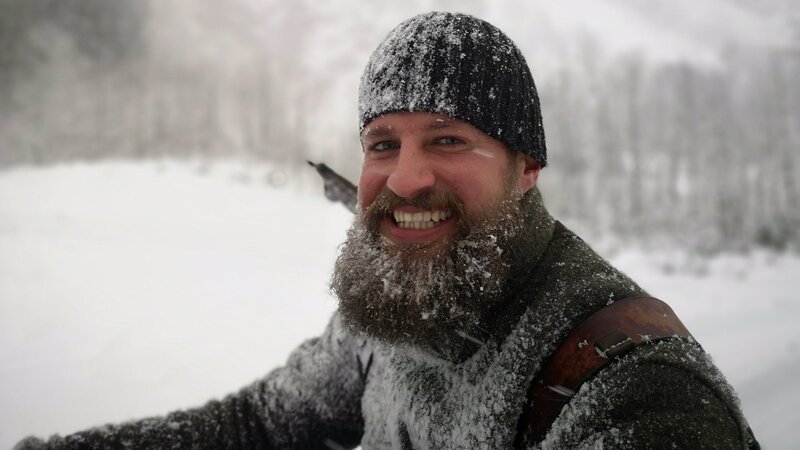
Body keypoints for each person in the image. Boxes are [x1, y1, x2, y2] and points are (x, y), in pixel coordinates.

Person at [16, 12, 757, 450]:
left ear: (526, 166)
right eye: (382, 144)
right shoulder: (395, 303)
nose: (404, 179)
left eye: (448, 139)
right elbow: (265, 425)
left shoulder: (633, 390)